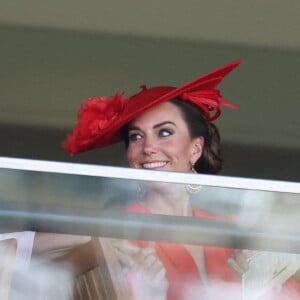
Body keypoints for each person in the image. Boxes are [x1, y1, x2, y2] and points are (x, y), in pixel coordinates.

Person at [62, 60, 300, 299]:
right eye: (136, 137)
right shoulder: (118, 231)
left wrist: (267, 279)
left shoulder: (233, 229)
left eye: (164, 132)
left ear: (196, 149)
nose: (148, 147)